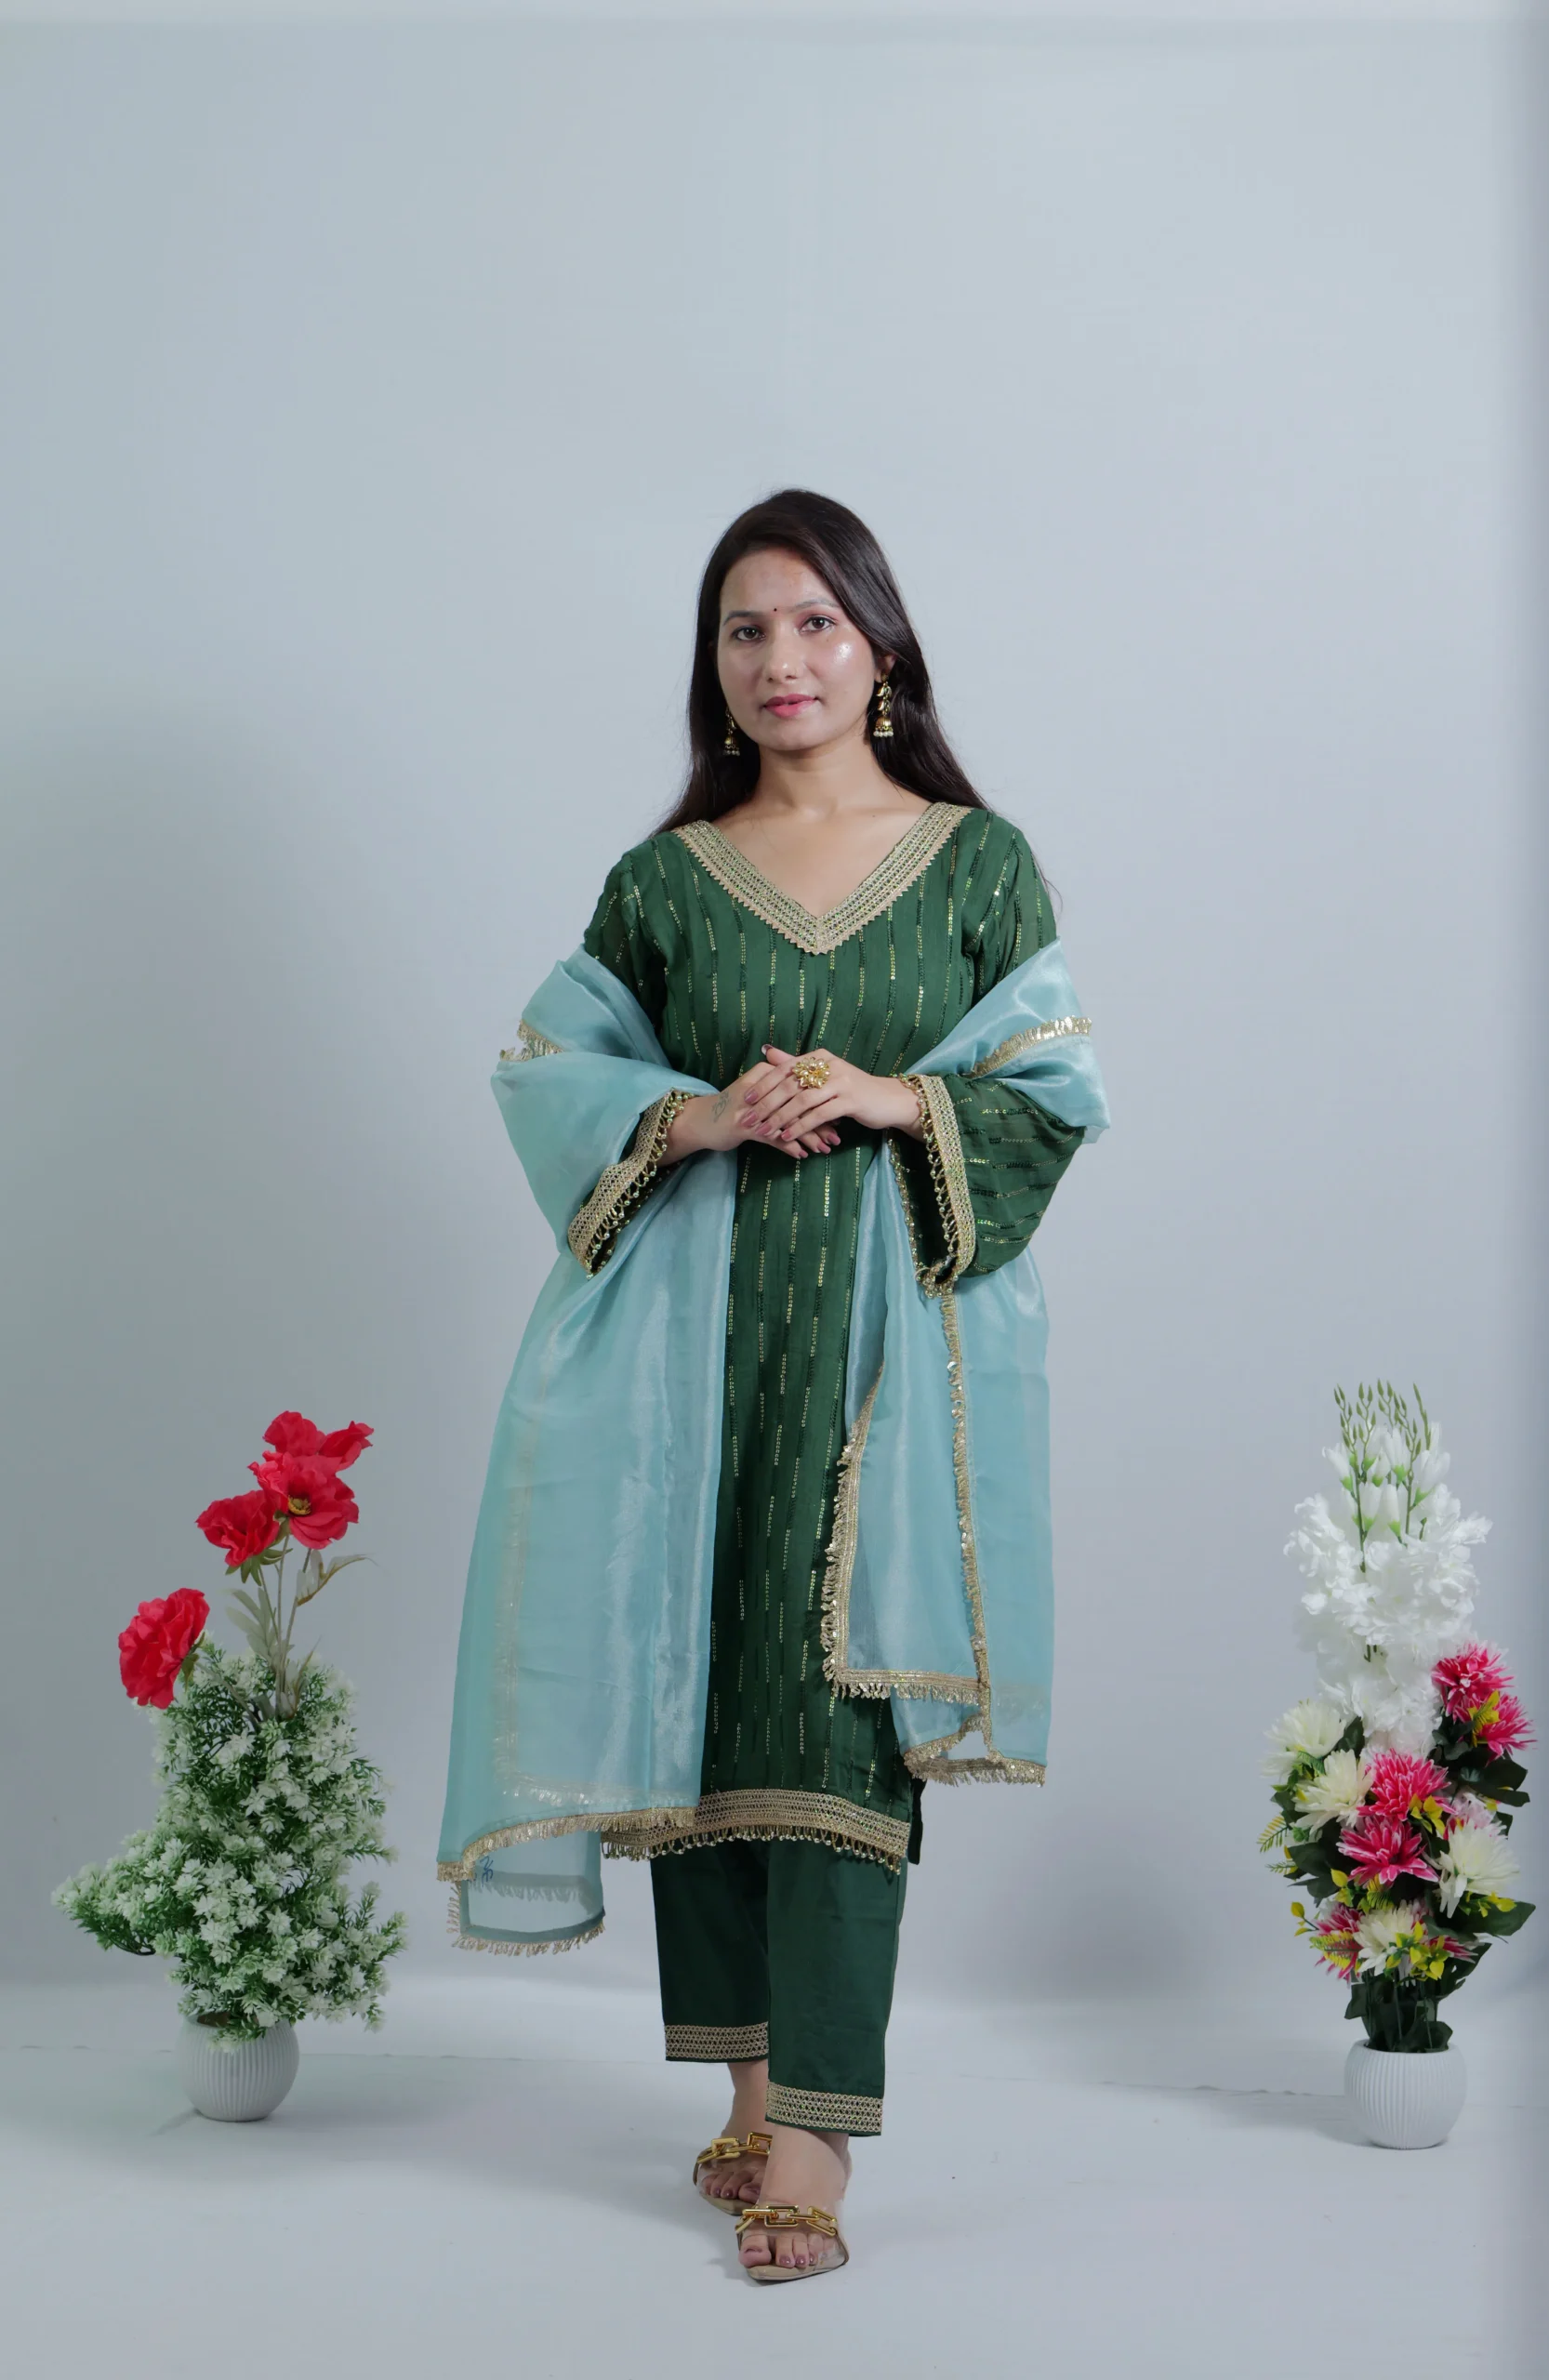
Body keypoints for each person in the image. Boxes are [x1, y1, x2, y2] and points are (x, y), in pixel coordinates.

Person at [437, 490, 1108, 2281]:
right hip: (686, 1370)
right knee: (699, 1697)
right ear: (713, 666)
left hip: (881, 1368)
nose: (781, 659)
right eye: (746, 629)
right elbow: (546, 1071)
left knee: (836, 1714)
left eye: (814, 622)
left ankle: (814, 2137)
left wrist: (897, 1098)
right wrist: (699, 1116)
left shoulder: (974, 864)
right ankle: (744, 2088)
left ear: (879, 647)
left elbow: (1054, 1095)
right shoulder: (665, 881)